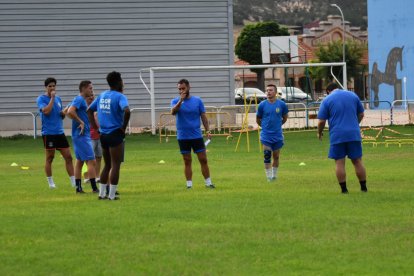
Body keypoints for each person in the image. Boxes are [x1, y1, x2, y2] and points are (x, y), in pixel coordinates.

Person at [317, 82, 367, 194]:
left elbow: (321, 121)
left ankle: (344, 190)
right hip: (354, 134)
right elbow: (361, 114)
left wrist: (319, 133)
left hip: (337, 134)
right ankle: (363, 188)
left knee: (339, 162)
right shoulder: (353, 95)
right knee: (357, 161)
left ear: (328, 91)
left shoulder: (327, 100)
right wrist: (355, 124)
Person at [88, 71, 130, 200]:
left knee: (107, 165)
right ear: (118, 82)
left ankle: (101, 194)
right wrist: (123, 127)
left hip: (103, 135)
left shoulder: (102, 95)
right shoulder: (120, 96)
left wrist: (96, 127)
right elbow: (127, 110)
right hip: (115, 134)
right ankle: (111, 195)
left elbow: (89, 110)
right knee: (116, 165)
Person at [171, 79, 215, 189]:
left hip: (196, 135)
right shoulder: (175, 101)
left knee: (203, 160)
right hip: (183, 136)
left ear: (189, 87)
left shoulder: (197, 101)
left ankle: (208, 183)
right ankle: (189, 185)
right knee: (187, 160)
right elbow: (173, 112)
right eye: (179, 89)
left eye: (183, 88)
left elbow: (203, 117)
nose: (181, 91)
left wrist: (207, 130)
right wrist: (180, 101)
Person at [36, 77, 76, 189]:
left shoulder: (59, 99)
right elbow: (46, 111)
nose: (52, 88)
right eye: (50, 86)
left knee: (68, 157)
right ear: (46, 87)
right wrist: (52, 98)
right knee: (50, 158)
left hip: (59, 132)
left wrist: (63, 113)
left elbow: (60, 116)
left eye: (54, 86)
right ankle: (51, 183)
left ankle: (73, 182)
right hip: (48, 133)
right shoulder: (41, 99)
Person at [67, 80, 98, 194]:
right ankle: (94, 188)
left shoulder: (80, 100)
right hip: (81, 135)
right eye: (90, 88)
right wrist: (81, 121)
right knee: (92, 160)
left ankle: (78, 188)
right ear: (84, 88)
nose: (91, 90)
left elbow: (67, 111)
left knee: (79, 161)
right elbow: (70, 111)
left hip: (80, 135)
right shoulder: (79, 99)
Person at [256, 84, 289, 182]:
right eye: (267, 90)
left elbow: (285, 118)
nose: (268, 92)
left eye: (270, 90)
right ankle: (268, 177)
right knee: (267, 155)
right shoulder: (262, 104)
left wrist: (277, 125)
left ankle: (274, 176)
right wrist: (265, 127)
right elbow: (258, 119)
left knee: (276, 156)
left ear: (275, 92)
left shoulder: (281, 104)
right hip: (266, 134)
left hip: (277, 134)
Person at [83, 92, 102, 185]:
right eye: (89, 96)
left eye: (92, 96)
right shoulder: (84, 109)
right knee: (88, 158)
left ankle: (97, 176)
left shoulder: (97, 107)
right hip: (89, 136)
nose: (91, 97)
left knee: (99, 157)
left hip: (99, 135)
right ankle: (87, 176)